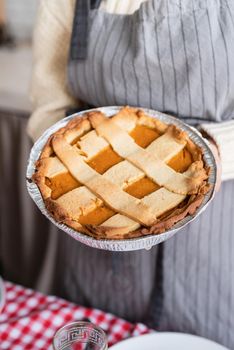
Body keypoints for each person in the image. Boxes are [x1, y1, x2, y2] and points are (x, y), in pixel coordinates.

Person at [27, 1, 234, 348]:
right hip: (94, 231)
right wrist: (77, 162)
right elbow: (48, 103)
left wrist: (212, 151)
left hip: (216, 235)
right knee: (95, 336)